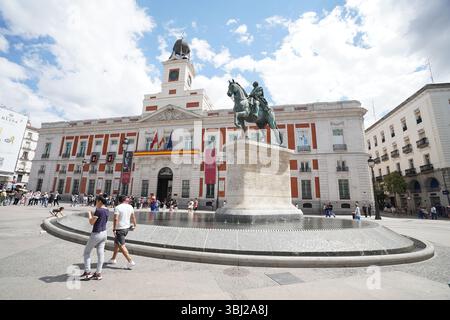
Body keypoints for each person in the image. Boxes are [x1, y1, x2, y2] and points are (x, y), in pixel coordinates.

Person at [81, 195, 109, 281]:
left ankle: (88, 272)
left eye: (96, 201)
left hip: (96, 233)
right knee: (100, 254)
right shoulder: (107, 210)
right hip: (104, 233)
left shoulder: (98, 210)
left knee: (87, 252)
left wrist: (89, 214)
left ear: (100, 201)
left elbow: (91, 222)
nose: (95, 202)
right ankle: (98, 273)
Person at [107, 195, 137, 269]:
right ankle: (113, 259)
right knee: (117, 243)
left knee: (122, 245)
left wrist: (114, 229)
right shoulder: (130, 207)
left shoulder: (117, 208)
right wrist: (135, 225)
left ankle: (130, 261)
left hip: (120, 229)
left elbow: (115, 219)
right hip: (126, 228)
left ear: (119, 200)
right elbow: (133, 217)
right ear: (125, 200)